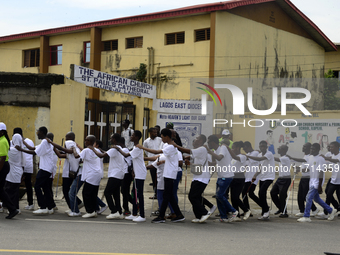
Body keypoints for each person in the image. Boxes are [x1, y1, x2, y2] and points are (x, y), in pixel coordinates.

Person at [136, 128, 185, 223]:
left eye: (162, 137)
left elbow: (156, 152)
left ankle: (161, 216)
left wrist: (142, 148)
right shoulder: (171, 146)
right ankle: (178, 215)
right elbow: (158, 156)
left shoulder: (170, 147)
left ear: (167, 136)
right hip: (169, 173)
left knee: (167, 195)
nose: (161, 139)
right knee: (169, 195)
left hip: (170, 174)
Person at [16, 127, 55, 215]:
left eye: (38, 132)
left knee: (37, 186)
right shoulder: (46, 141)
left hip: (45, 168)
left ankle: (43, 207)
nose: (37, 133)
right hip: (48, 168)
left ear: (41, 132)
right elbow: (33, 148)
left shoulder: (45, 141)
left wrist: (21, 149)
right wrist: (23, 141)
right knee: (45, 188)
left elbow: (34, 153)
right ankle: (50, 207)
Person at [175, 134, 212, 223]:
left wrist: (176, 145)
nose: (195, 139)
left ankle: (205, 213)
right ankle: (199, 216)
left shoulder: (202, 149)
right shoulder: (198, 150)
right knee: (196, 197)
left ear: (201, 141)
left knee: (192, 196)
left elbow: (188, 151)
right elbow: (191, 157)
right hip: (197, 177)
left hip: (202, 178)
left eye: (197, 138)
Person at [297, 143, 337, 222]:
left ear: (318, 150)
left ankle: (306, 216)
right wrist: (298, 169)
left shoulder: (320, 159)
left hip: (317, 182)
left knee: (308, 197)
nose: (311, 150)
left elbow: (321, 172)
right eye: (311, 149)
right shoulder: (310, 157)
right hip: (311, 181)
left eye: (313, 149)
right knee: (316, 199)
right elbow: (308, 169)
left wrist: (319, 185)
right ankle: (331, 210)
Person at [114, 130, 147, 222]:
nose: (131, 137)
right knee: (134, 194)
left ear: (136, 137)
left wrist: (118, 149)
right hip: (136, 173)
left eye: (132, 135)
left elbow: (125, 154)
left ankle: (142, 215)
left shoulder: (137, 148)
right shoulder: (135, 147)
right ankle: (134, 213)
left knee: (139, 194)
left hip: (140, 173)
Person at [91, 134, 125, 220]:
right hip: (119, 174)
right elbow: (106, 153)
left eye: (111, 138)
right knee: (115, 194)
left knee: (107, 193)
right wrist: (101, 150)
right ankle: (119, 212)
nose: (110, 139)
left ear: (114, 139)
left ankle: (114, 211)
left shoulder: (114, 148)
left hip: (115, 174)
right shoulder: (118, 148)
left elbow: (101, 156)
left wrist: (93, 149)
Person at [205, 135, 237, 223]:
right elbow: (216, 162)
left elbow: (219, 157)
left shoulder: (222, 147)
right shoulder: (216, 150)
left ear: (213, 142)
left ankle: (233, 211)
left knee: (220, 195)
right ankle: (223, 217)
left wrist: (209, 151)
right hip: (221, 176)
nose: (208, 144)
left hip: (227, 176)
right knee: (218, 197)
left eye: (208, 142)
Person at [73, 135, 102, 218]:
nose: (85, 141)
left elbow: (76, 156)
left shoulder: (86, 150)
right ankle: (94, 210)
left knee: (86, 193)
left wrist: (74, 149)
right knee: (93, 193)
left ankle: (90, 211)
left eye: (88, 140)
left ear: (92, 142)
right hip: (97, 174)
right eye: (85, 139)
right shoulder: (95, 149)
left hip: (92, 174)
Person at [288, 143, 319, 217]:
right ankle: (302, 210)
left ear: (309, 148)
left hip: (308, 178)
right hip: (303, 178)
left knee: (305, 195)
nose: (303, 147)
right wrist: (297, 168)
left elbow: (306, 168)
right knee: (300, 195)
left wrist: (292, 158)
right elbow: (303, 166)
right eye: (303, 146)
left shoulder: (309, 157)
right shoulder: (305, 156)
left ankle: (314, 209)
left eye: (305, 147)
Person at [247, 140, 276, 220]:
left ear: (266, 147)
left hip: (269, 177)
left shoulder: (269, 154)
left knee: (261, 192)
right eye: (260, 146)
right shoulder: (259, 154)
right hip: (262, 177)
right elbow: (260, 167)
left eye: (263, 146)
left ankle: (266, 211)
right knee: (261, 194)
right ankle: (264, 213)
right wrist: (255, 175)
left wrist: (248, 156)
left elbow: (259, 159)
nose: (262, 147)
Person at [2, 133, 25, 219]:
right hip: (18, 172)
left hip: (13, 173)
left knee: (10, 191)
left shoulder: (13, 150)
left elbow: (4, 152)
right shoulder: (20, 150)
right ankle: (16, 208)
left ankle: (12, 208)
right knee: (15, 192)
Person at [229, 141, 250, 221]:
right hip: (233, 177)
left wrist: (229, 150)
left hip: (239, 178)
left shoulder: (242, 156)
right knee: (233, 198)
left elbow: (236, 158)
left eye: (233, 148)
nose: (232, 149)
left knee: (236, 197)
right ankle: (237, 215)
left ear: (237, 148)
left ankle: (246, 210)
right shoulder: (233, 157)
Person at [270, 145, 291, 218]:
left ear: (284, 150)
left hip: (286, 179)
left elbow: (276, 159)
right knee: (273, 193)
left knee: (282, 195)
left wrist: (268, 155)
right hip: (280, 178)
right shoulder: (282, 158)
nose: (278, 149)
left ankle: (284, 212)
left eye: (280, 148)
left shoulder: (285, 158)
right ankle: (280, 208)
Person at [321, 141, 340, 216]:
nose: (330, 148)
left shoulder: (338, 155)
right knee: (328, 194)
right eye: (330, 147)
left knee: (339, 196)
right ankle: (327, 212)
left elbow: (335, 161)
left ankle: (336, 209)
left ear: (337, 147)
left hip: (339, 181)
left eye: (332, 147)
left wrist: (325, 158)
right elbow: (331, 162)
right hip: (333, 179)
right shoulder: (332, 155)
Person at [242, 141, 261, 214]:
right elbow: (245, 164)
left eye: (245, 148)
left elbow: (252, 159)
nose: (244, 150)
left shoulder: (255, 153)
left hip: (253, 177)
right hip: (247, 177)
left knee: (248, 193)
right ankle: (247, 210)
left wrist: (246, 156)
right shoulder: (248, 154)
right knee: (248, 193)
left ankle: (247, 210)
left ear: (249, 146)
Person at [143, 127, 162, 199]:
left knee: (159, 179)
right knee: (154, 179)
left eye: (156, 132)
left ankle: (160, 194)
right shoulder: (146, 141)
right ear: (150, 133)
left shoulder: (160, 140)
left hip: (160, 162)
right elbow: (146, 152)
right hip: (151, 163)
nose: (156, 133)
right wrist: (151, 157)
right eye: (154, 132)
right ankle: (156, 194)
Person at [119, 137, 133, 216]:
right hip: (125, 173)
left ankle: (126, 209)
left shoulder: (123, 150)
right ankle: (135, 205)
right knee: (124, 192)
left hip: (126, 174)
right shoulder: (125, 149)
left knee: (124, 192)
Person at [0, 122, 10, 213]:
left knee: (1, 189)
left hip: (2, 166)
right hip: (3, 165)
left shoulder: (2, 141)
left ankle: (12, 208)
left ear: (2, 132)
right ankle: (12, 208)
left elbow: (2, 158)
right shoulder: (2, 139)